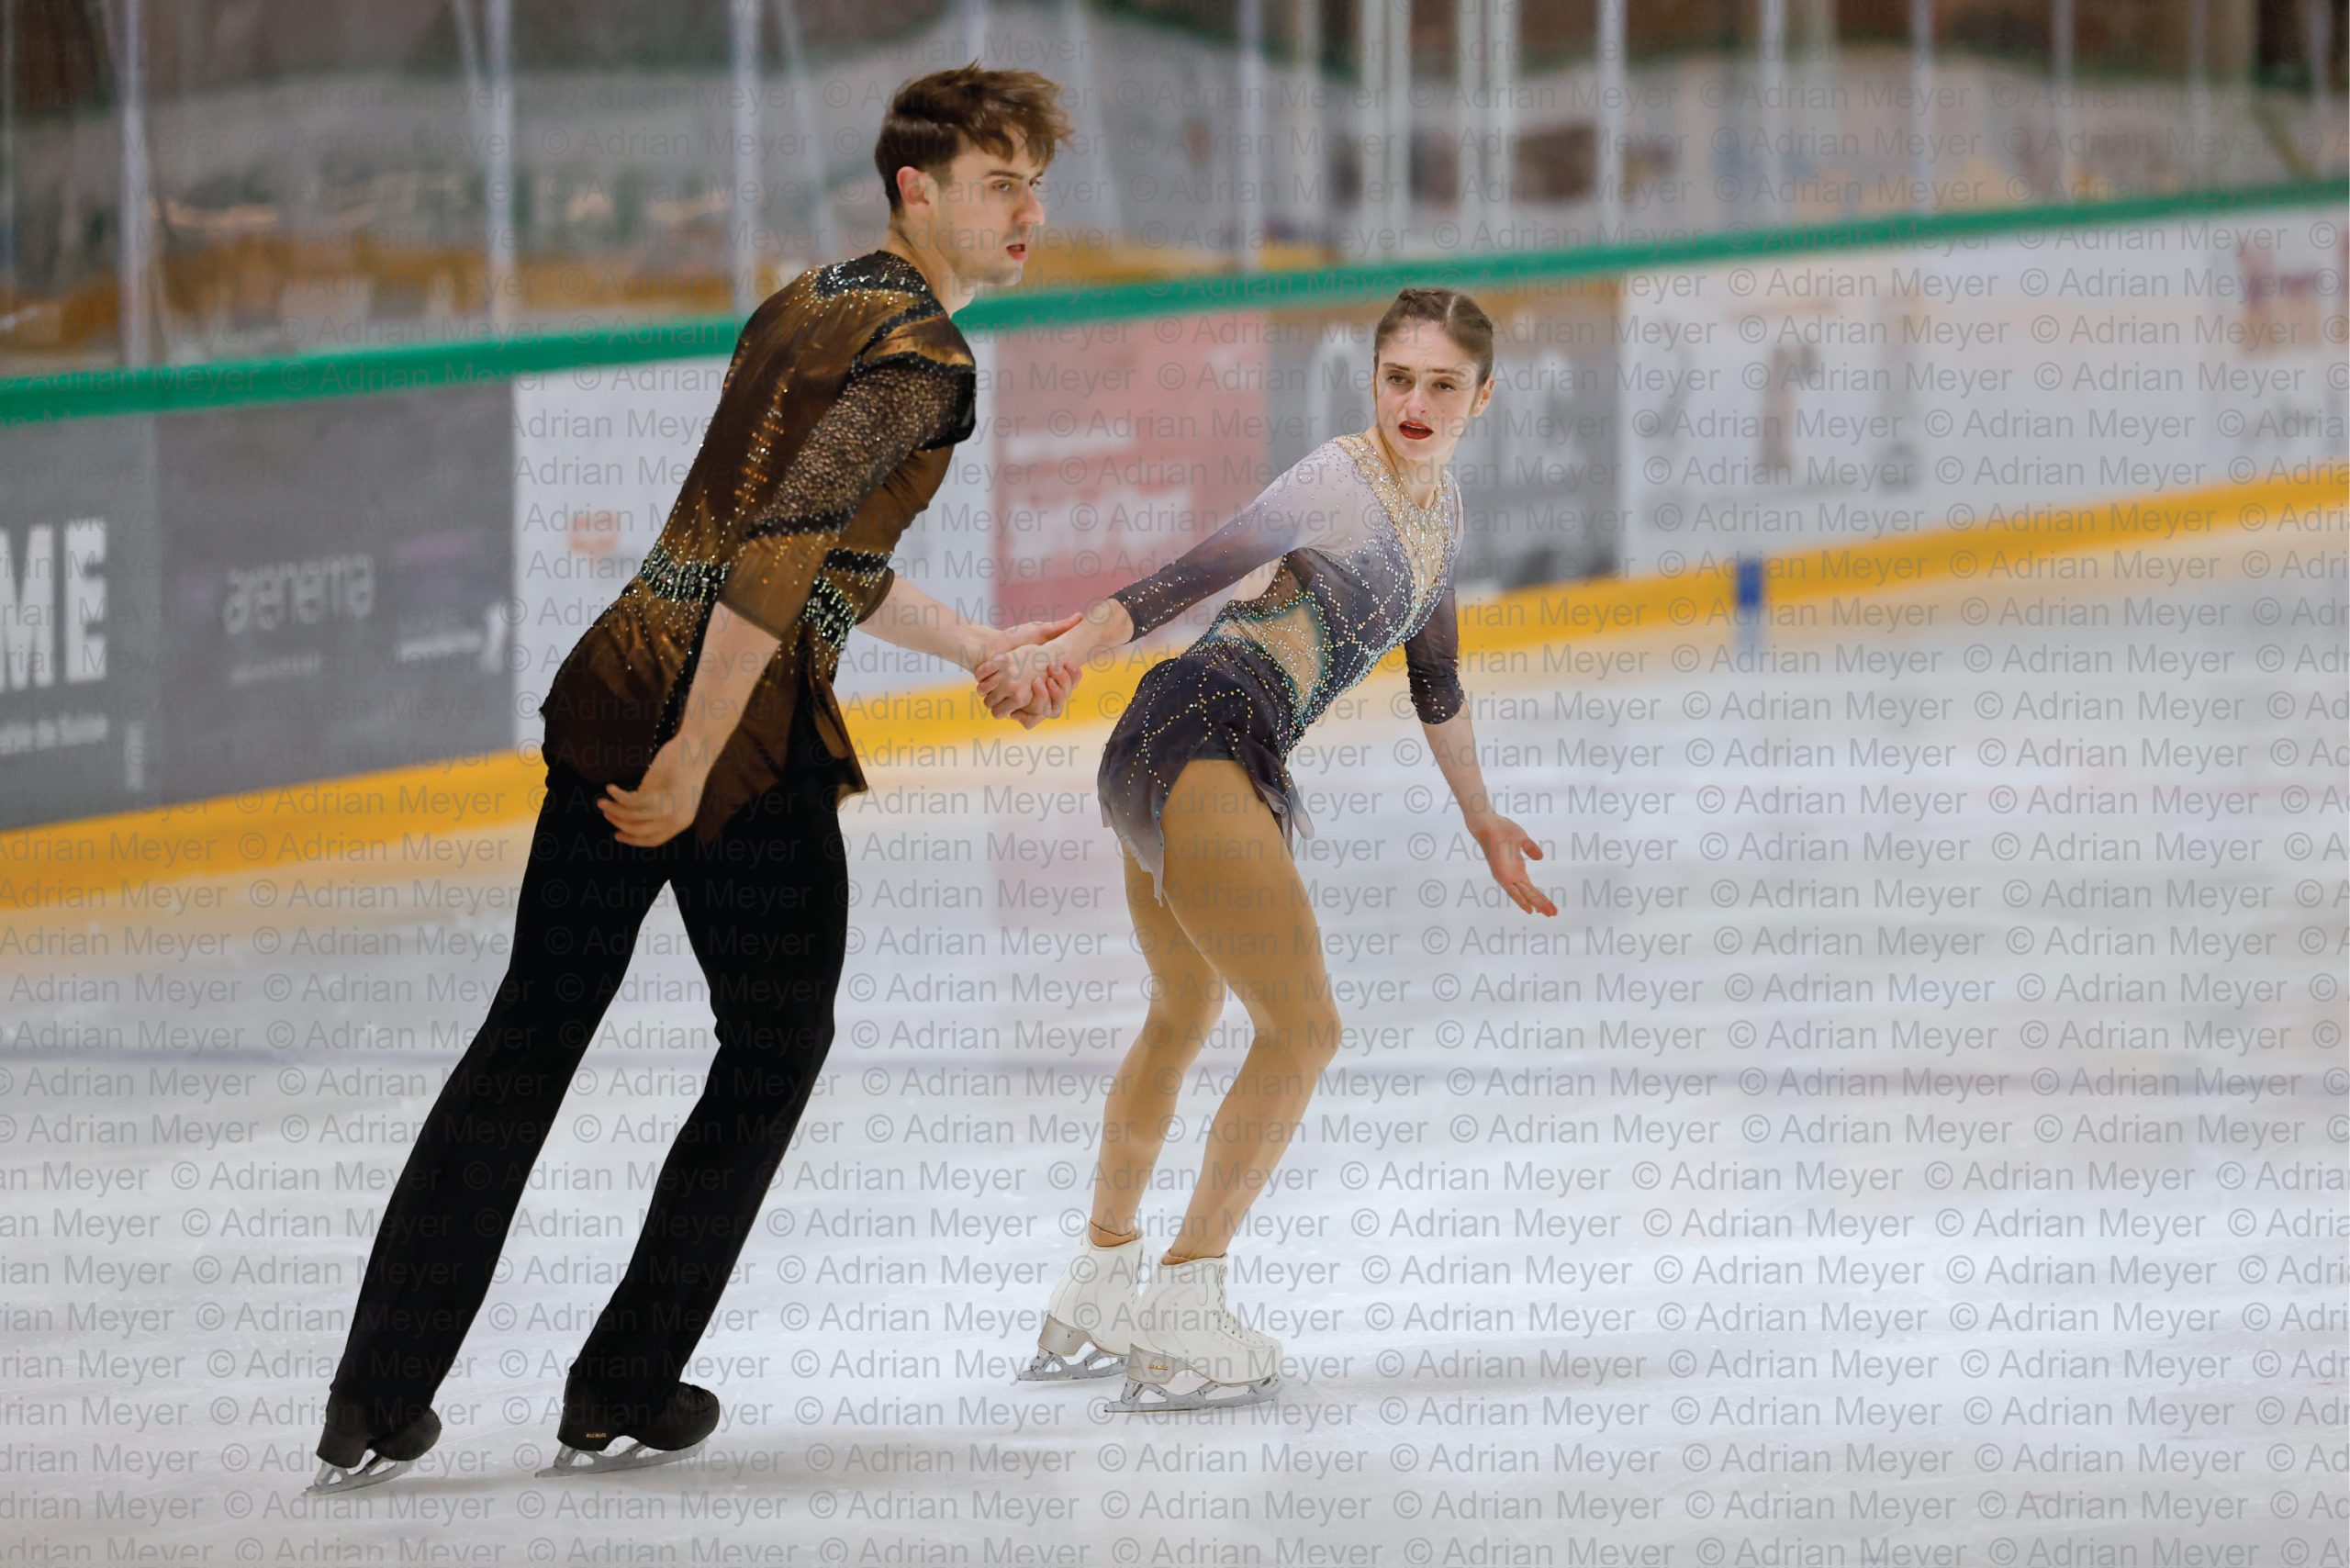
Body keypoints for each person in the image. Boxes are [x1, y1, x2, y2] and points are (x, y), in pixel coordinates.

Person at [308, 63, 1080, 1492]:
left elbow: (811, 548)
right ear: (915, 190)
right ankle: (624, 1377)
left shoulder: (802, 303)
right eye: (998, 184)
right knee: (776, 1043)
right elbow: (778, 550)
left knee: (531, 1031)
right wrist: (700, 750)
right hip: (735, 731)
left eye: (1035, 184)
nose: (1027, 211)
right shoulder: (925, 359)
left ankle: (374, 1392)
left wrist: (975, 644)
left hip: (621, 679)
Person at [977, 287, 1560, 1412]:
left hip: (1174, 743)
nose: (1415, 402)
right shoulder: (1336, 480)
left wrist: (1482, 818)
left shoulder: (1438, 516)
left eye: (1442, 385)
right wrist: (1068, 645)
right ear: (1372, 378)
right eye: (1398, 377)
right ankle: (1186, 1298)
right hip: (1202, 726)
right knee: (1305, 1027)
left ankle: (1100, 1279)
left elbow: (1436, 679)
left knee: (1183, 1009)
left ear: (1482, 397)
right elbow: (1183, 579)